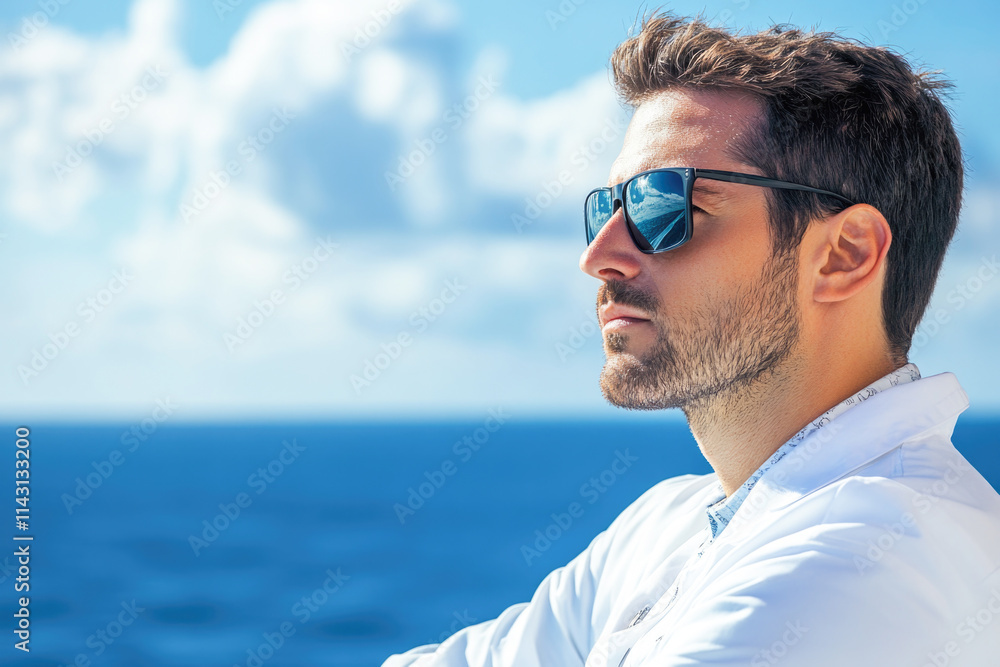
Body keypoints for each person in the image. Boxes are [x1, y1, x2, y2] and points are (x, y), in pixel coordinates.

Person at [384, 12, 1000, 666]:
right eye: (608, 207)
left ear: (842, 255)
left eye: (664, 205)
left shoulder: (857, 564)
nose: (600, 254)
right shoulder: (666, 527)